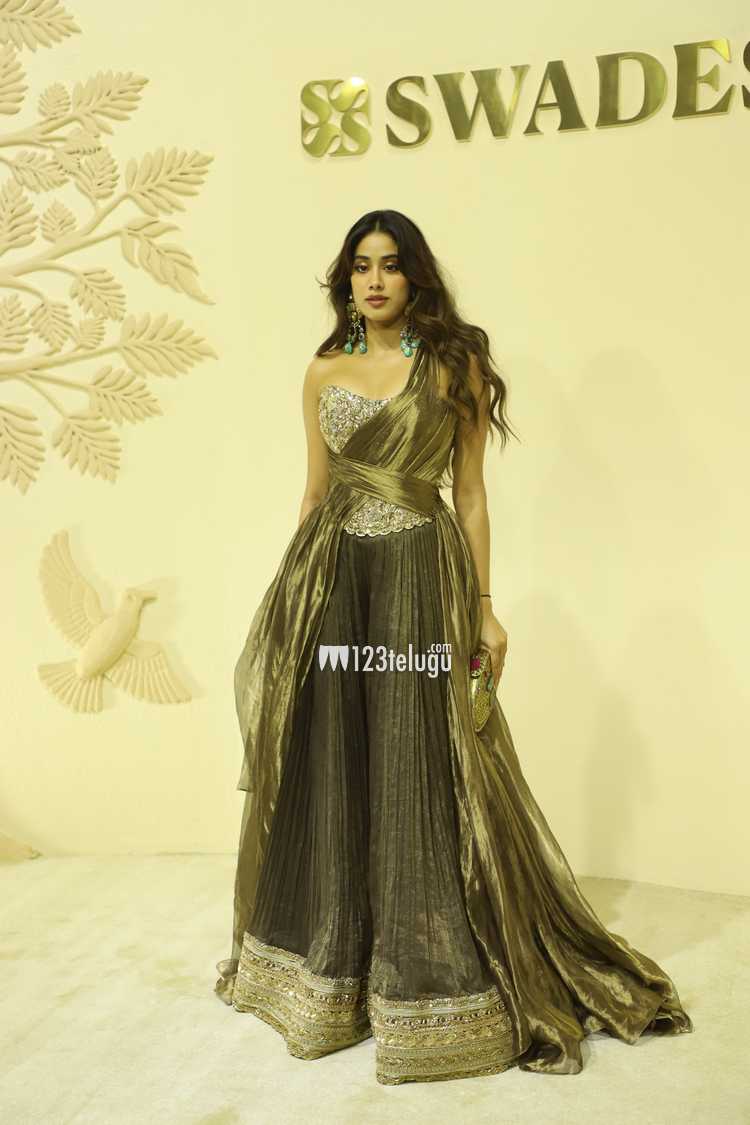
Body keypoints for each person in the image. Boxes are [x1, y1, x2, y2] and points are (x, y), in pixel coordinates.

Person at [214, 209, 693, 1085]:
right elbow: (315, 495)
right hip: (334, 582)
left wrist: (483, 610)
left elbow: (469, 494)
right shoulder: (322, 370)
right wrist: (291, 602)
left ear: (416, 277)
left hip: (419, 578)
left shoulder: (452, 363)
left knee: (421, 758)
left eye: (391, 265)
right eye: (362, 265)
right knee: (336, 758)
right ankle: (338, 969)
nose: (375, 280)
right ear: (346, 280)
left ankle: (427, 964)